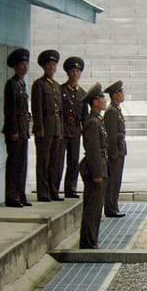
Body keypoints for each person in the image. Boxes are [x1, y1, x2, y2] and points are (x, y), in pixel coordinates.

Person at [79, 83, 108, 249]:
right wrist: (97, 173)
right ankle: (88, 243)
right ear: (95, 101)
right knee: (92, 208)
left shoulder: (97, 120)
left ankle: (92, 240)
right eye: (102, 97)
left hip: (100, 168)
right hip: (94, 171)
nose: (105, 100)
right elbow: (93, 150)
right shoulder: (92, 122)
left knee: (97, 209)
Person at [32, 49, 63, 202]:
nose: (51, 68)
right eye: (49, 65)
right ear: (44, 67)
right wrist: (39, 128)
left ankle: (53, 190)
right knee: (43, 161)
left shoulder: (56, 85)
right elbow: (37, 109)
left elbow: (60, 110)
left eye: (54, 65)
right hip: (45, 129)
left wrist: (61, 129)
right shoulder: (39, 84)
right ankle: (43, 192)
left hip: (56, 128)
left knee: (54, 162)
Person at [2, 48, 32, 208]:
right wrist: (13, 130)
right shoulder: (11, 84)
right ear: (15, 66)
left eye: (26, 64)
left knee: (22, 164)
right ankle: (12, 196)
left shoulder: (21, 84)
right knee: (14, 165)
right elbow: (10, 110)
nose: (24, 67)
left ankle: (21, 194)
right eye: (21, 64)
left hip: (23, 131)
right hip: (15, 132)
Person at [59, 56, 88, 199]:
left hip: (75, 132)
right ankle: (54, 188)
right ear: (68, 73)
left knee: (73, 161)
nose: (75, 74)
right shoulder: (60, 90)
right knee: (58, 161)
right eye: (72, 71)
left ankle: (71, 188)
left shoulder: (82, 94)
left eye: (77, 71)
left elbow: (85, 116)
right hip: (63, 130)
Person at [103, 80, 127, 217]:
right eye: (121, 92)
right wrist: (113, 153)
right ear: (115, 94)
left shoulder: (116, 109)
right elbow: (111, 135)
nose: (123, 94)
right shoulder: (111, 111)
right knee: (112, 181)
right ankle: (110, 207)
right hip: (115, 151)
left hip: (119, 149)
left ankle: (114, 205)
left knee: (116, 180)